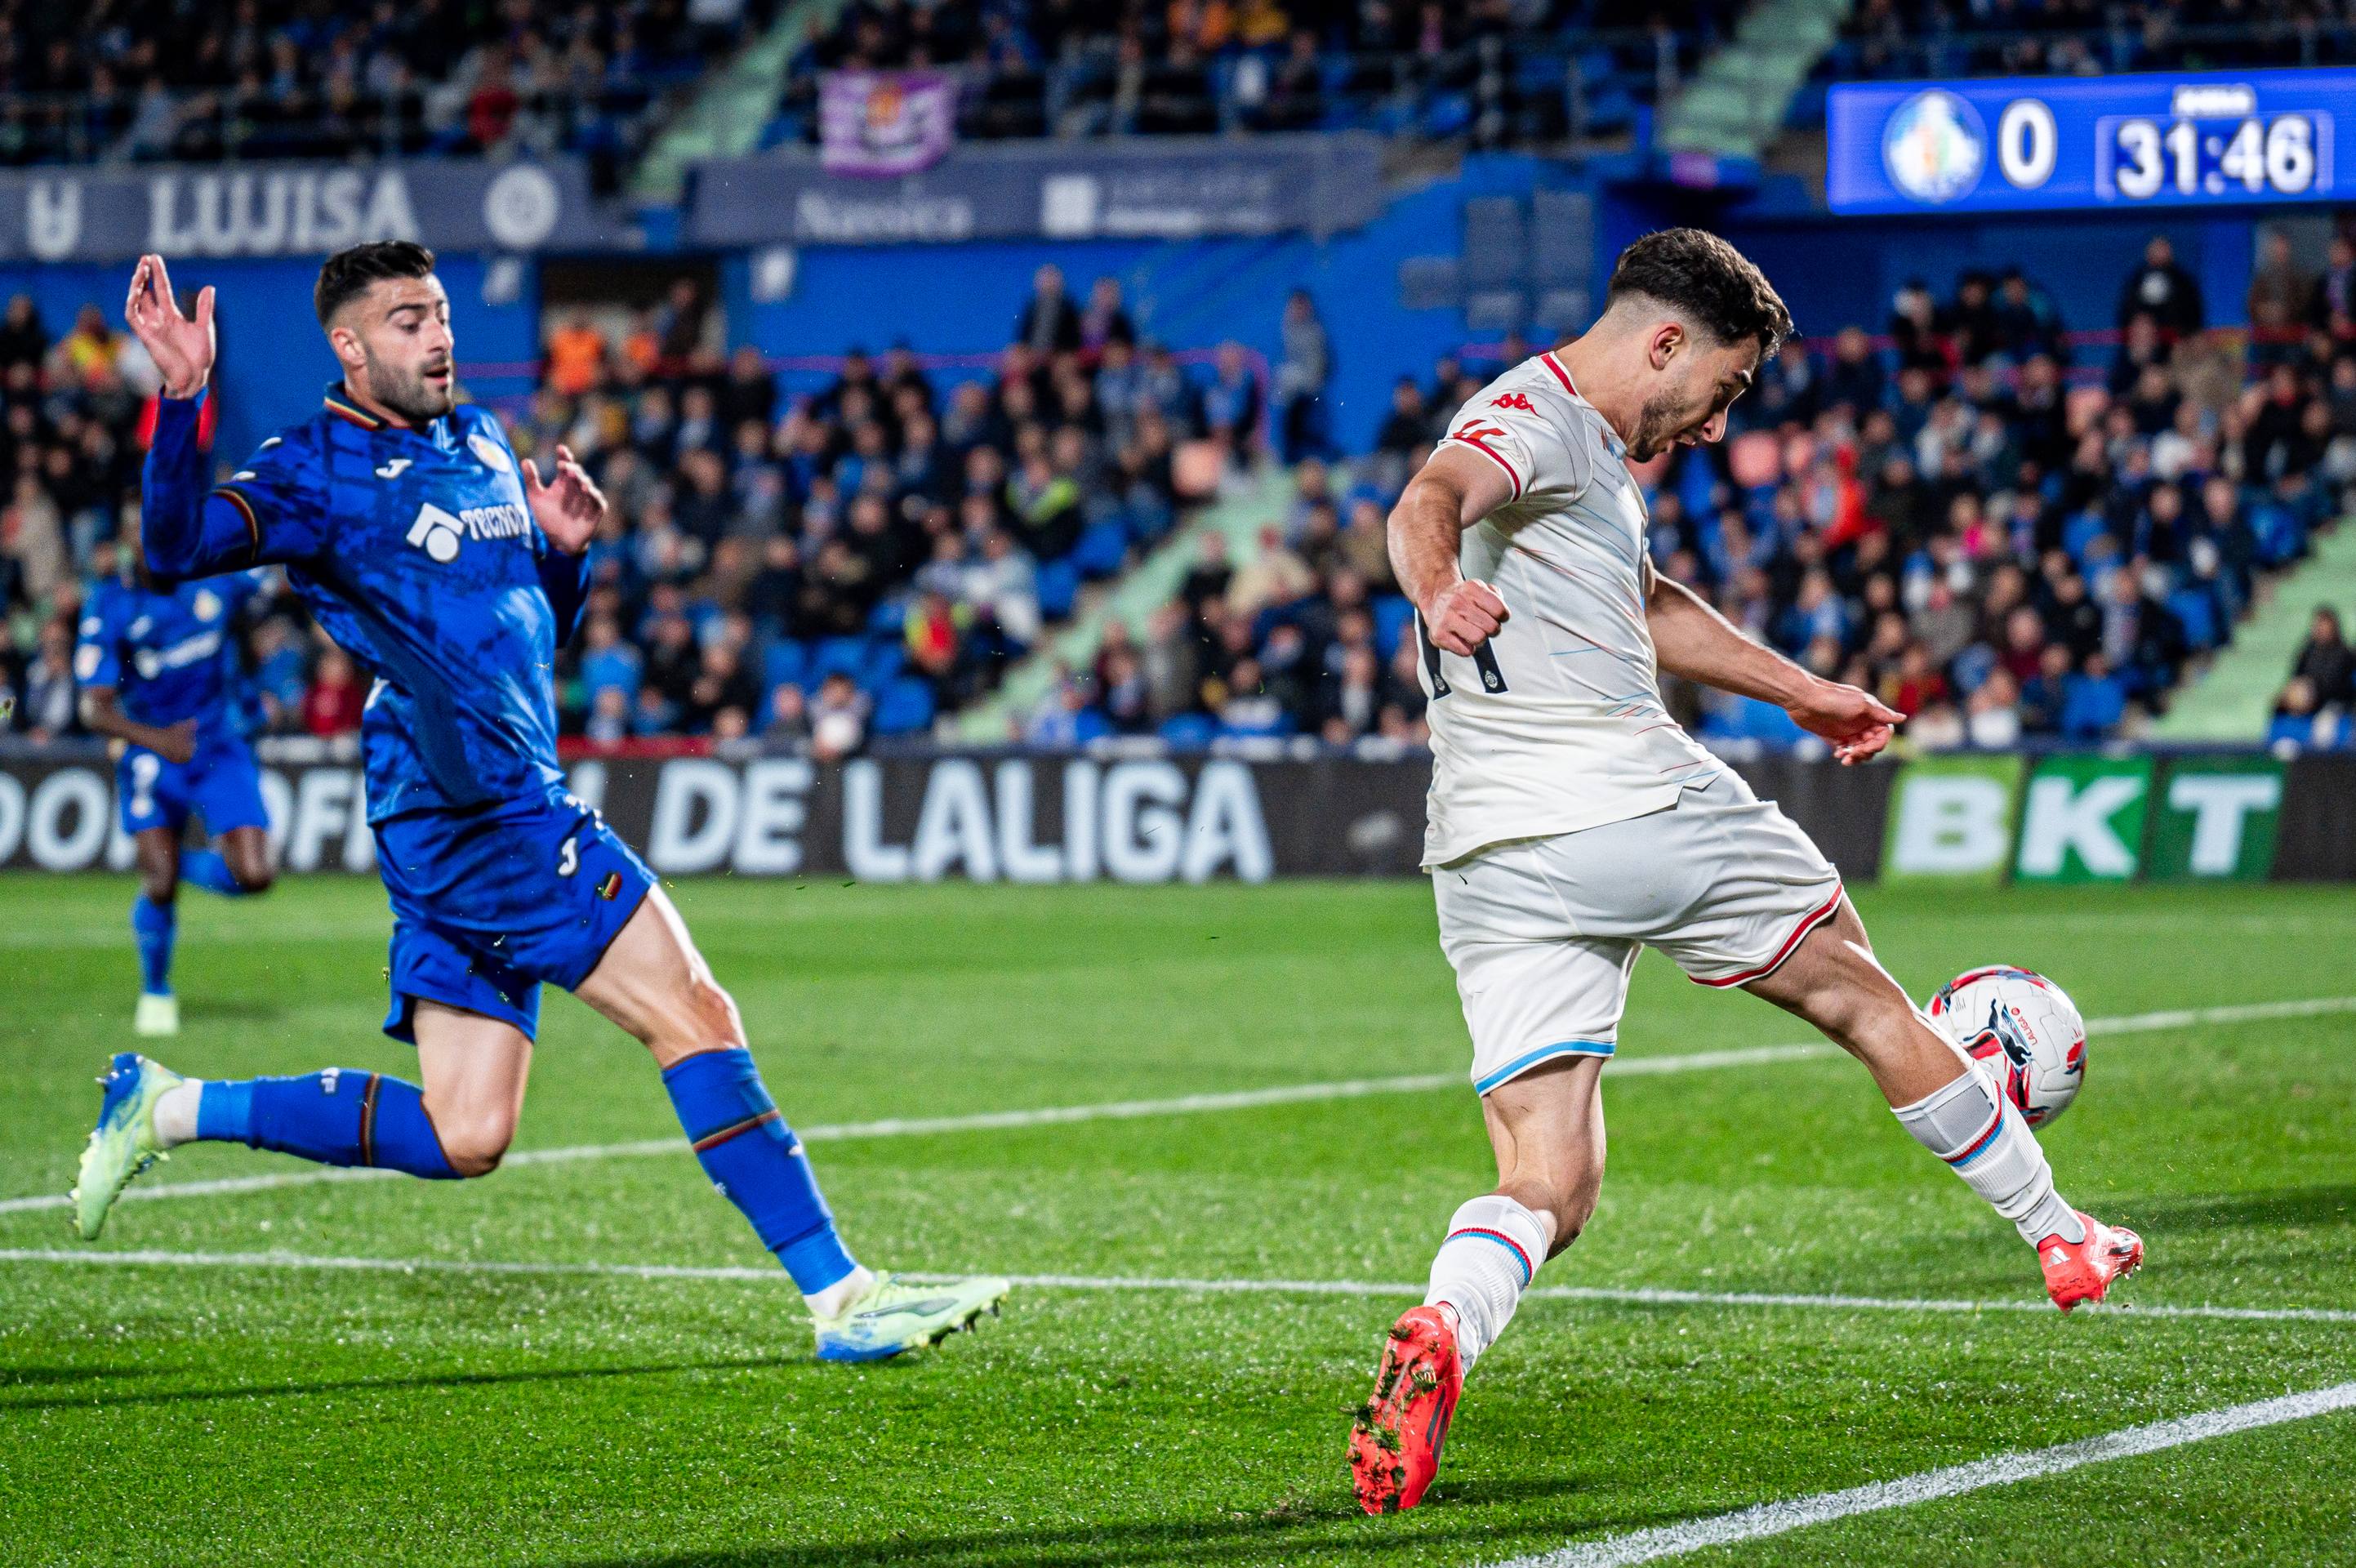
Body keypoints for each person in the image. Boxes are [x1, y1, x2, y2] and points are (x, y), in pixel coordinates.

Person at [75, 244, 1008, 1364]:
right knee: (694, 1014)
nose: (438, 336)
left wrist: (562, 559)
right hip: (487, 814)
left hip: (454, 815)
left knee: (464, 1132)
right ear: (351, 344)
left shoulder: (477, 441)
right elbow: (175, 547)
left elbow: (524, 634)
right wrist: (183, 397)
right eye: (409, 318)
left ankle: (167, 1107)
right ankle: (842, 1296)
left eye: (443, 314)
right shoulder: (314, 469)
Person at [1349, 229, 2143, 1516]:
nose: (1717, 425)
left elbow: (1648, 603)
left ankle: (1443, 1329)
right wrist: (1436, 588)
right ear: (1664, 341)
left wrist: (1804, 694)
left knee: (1551, 1181)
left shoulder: (1590, 455)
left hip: (1487, 852)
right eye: (1719, 389)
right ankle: (2059, 1228)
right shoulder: (1534, 418)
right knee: (1858, 992)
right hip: (1618, 800)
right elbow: (1423, 505)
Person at [75, 530, 276, 1036]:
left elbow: (278, 577)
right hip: (153, 752)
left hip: (218, 748)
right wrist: (157, 740)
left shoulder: (215, 579)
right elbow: (93, 710)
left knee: (254, 876)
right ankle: (157, 990)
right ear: (130, 549)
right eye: (146, 539)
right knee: (158, 887)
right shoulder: (111, 604)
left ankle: (171, 866)